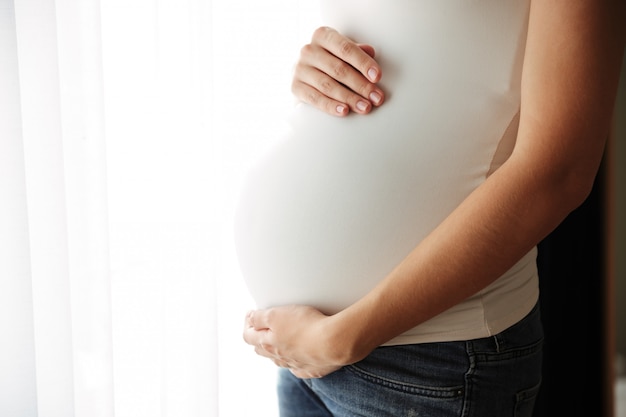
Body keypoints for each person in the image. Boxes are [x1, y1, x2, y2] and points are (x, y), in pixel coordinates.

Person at [237, 0, 625, 415]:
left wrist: (343, 338)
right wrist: (319, 69)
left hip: (433, 361)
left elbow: (559, 173)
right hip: (306, 352)